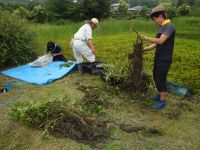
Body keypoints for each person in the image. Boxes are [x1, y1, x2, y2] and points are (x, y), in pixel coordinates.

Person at [138, 5, 176, 109]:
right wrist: (144, 49)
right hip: (159, 57)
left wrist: (145, 37)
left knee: (161, 77)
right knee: (156, 75)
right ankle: (159, 95)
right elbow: (157, 44)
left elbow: (161, 41)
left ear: (160, 16)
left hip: (165, 58)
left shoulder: (169, 26)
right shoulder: (162, 27)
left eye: (155, 20)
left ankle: (162, 100)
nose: (155, 22)